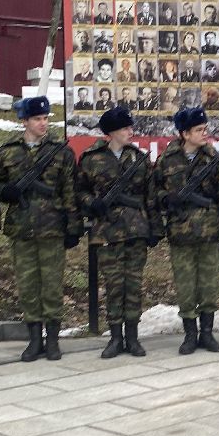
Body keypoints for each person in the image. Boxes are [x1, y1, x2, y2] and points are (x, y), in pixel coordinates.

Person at [0, 97, 78, 362]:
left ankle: (52, 340)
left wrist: (73, 225)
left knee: (52, 286)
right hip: (21, 228)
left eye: (46, 118)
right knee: (28, 286)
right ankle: (34, 340)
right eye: (38, 119)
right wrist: (6, 192)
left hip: (52, 228)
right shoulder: (7, 152)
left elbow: (69, 190)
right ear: (25, 121)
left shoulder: (60, 152)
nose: (43, 123)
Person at [76, 106, 159, 358]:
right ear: (111, 132)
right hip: (107, 231)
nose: (130, 132)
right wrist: (92, 203)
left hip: (135, 230)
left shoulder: (139, 158)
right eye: (125, 128)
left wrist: (154, 228)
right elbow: (79, 191)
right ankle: (114, 337)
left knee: (133, 285)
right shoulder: (91, 159)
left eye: (130, 127)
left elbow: (150, 196)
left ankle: (132, 337)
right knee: (113, 285)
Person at [154, 107, 219, 355]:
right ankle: (190, 335)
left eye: (205, 129)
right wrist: (168, 198)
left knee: (208, 285)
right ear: (185, 134)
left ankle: (207, 333)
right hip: (181, 232)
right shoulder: (167, 159)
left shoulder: (213, 158)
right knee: (185, 286)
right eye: (199, 130)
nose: (204, 133)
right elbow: (154, 191)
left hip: (209, 231)